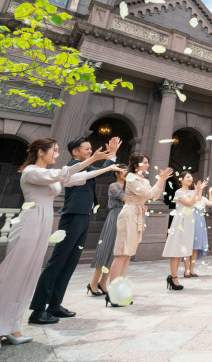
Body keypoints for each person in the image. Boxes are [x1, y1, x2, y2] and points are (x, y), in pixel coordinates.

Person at [0, 138, 119, 344]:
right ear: (40, 152)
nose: (56, 154)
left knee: (29, 274)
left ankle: (13, 327)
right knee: (15, 273)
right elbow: (60, 173)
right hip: (29, 223)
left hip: (43, 224)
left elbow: (80, 176)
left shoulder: (50, 176)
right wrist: (93, 158)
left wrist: (102, 167)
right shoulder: (31, 172)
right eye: (54, 151)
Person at [28, 135, 120, 324]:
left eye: (90, 148)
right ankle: (38, 309)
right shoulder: (74, 165)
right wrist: (107, 158)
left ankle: (54, 305)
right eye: (86, 149)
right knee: (57, 262)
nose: (90, 151)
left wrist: (113, 155)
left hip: (83, 217)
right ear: (75, 152)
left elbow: (101, 171)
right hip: (72, 218)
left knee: (70, 263)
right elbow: (101, 172)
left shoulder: (85, 165)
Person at [107, 153, 172, 305]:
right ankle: (113, 293)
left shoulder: (144, 180)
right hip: (129, 214)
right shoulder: (131, 178)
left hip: (138, 215)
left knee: (128, 254)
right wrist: (161, 179)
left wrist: (161, 181)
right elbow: (146, 194)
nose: (147, 165)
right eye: (144, 162)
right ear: (136, 165)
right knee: (121, 253)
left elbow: (154, 196)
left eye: (148, 162)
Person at [88, 167, 127, 296]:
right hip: (115, 216)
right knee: (105, 249)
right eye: (124, 170)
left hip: (126, 218)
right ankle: (93, 282)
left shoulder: (129, 185)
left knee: (115, 252)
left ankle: (103, 283)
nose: (127, 172)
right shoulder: (113, 186)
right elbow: (125, 198)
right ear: (117, 173)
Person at [162, 172, 198, 290]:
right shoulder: (179, 192)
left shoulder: (192, 192)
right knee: (175, 249)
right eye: (188, 177)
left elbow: (197, 202)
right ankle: (173, 277)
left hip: (188, 222)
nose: (190, 178)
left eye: (191, 177)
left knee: (180, 251)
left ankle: (173, 276)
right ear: (181, 180)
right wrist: (196, 191)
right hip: (180, 221)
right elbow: (189, 203)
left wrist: (198, 190)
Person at [186, 180, 212, 277]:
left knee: (195, 247)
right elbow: (197, 199)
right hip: (192, 220)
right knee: (189, 246)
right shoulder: (191, 195)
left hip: (201, 221)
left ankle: (192, 270)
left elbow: (210, 203)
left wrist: (210, 192)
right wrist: (199, 190)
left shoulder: (203, 198)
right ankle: (186, 270)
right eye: (197, 187)